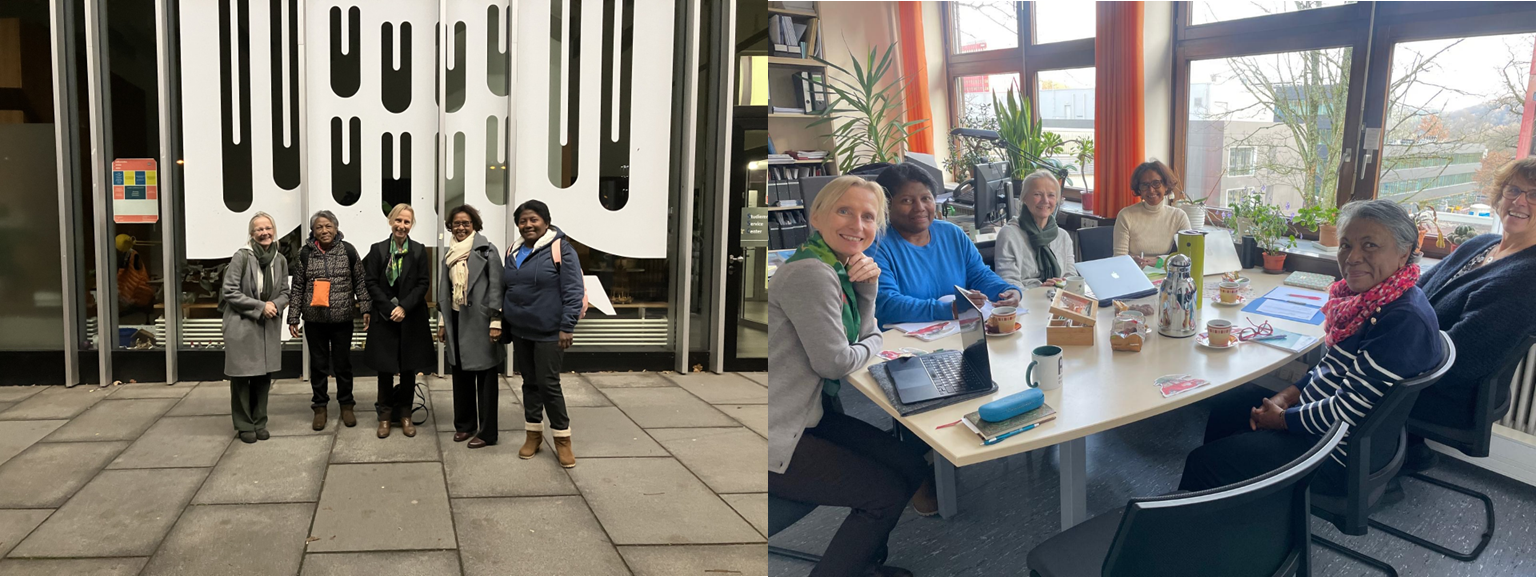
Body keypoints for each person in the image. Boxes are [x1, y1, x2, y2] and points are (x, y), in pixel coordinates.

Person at [1179, 199, 1442, 496]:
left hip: (1334, 452)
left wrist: (1281, 420)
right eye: (1345, 245)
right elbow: (1330, 369)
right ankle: (1235, 504)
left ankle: (1216, 514)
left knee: (1203, 463)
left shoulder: (1401, 320)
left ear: (1404, 251)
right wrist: (1285, 396)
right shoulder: (1372, 300)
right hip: (1322, 423)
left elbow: (1347, 411)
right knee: (1227, 410)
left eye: (1370, 246)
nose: (1353, 257)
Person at [769, 176, 925, 577]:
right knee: (885, 494)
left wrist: (868, 292)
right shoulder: (812, 273)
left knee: (910, 463)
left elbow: (850, 337)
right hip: (777, 431)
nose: (858, 225)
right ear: (816, 216)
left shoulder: (831, 267)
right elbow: (837, 361)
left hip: (809, 416)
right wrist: (877, 337)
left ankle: (861, 565)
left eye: (868, 216)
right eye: (845, 211)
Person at [1406, 157, 1536, 470]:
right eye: (1514, 190)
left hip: (1446, 390)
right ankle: (1400, 451)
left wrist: (1386, 347)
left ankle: (1358, 470)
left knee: (1348, 369)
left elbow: (1461, 360)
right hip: (1418, 362)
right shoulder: (1482, 244)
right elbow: (1414, 289)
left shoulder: (1527, 276)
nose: (1520, 201)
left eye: (1534, 194)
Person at [868, 163, 1021, 326]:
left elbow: (979, 275)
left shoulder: (952, 234)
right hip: (902, 344)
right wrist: (950, 309)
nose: (919, 208)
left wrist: (1005, 291)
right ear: (886, 205)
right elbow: (886, 304)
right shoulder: (875, 245)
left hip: (954, 335)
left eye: (926, 198)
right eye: (907, 200)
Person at [501, 200, 582, 464]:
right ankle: (533, 435)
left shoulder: (561, 249)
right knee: (530, 384)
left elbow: (573, 290)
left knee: (549, 385)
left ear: (546, 221)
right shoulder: (513, 250)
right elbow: (508, 288)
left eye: (533, 219)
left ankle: (562, 439)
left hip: (550, 331)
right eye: (523, 221)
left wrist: (566, 326)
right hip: (521, 331)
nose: (528, 225)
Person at [288, 210, 370, 431]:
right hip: (314, 320)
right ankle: (320, 407)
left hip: (342, 319)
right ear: (313, 231)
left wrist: (365, 307)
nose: (324, 231)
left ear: (336, 227)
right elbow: (297, 286)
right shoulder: (305, 253)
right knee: (318, 365)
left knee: (343, 364)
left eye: (328, 226)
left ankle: (346, 405)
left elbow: (360, 281)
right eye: (319, 227)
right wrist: (293, 316)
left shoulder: (349, 251)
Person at [363, 204, 433, 439]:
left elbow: (423, 283)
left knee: (408, 369)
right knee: (384, 369)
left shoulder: (419, 250)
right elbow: (370, 282)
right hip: (384, 318)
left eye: (407, 222)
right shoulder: (378, 250)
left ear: (411, 225)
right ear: (390, 221)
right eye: (398, 220)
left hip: (411, 317)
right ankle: (384, 416)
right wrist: (390, 308)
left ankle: (405, 415)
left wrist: (404, 307)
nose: (402, 226)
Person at [438, 205, 505, 449]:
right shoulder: (450, 253)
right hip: (456, 320)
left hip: (482, 322)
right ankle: (464, 426)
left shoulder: (487, 250)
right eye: (456, 223)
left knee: (486, 378)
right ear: (450, 226)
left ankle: (488, 433)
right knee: (460, 375)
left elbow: (497, 287)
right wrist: (443, 322)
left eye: (466, 223)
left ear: (474, 224)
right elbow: (444, 292)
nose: (461, 227)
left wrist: (496, 321)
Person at [221, 212, 289, 444]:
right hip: (242, 325)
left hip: (267, 326)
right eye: (259, 229)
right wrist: (261, 306)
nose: (264, 232)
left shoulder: (280, 259)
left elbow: (286, 292)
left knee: (263, 378)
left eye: (268, 228)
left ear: (274, 230)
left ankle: (260, 422)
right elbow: (229, 291)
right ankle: (243, 424)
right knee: (241, 378)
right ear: (252, 233)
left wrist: (274, 305)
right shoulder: (241, 257)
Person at [995, 169, 1079, 289]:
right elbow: (1009, 283)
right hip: (1025, 303)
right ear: (1024, 198)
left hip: (1058, 302)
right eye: (1037, 194)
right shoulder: (1009, 235)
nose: (1045, 200)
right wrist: (1040, 291)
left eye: (1051, 195)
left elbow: (1071, 276)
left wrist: (1061, 284)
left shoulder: (1063, 236)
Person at [1113, 159, 1192, 267]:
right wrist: (1132, 262)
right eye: (1145, 185)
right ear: (1139, 190)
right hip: (1133, 272)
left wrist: (1158, 262)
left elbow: (1187, 255)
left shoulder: (1178, 216)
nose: (1151, 190)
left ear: (1166, 185)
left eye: (1156, 183)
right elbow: (1119, 258)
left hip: (1165, 275)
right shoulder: (1126, 215)